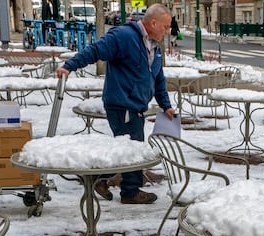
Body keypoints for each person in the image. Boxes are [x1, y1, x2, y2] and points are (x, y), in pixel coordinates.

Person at [57, 4, 176, 204]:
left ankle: (100, 179)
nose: (167, 31)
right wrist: (69, 67)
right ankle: (129, 191)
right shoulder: (124, 36)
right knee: (132, 148)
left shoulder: (154, 47)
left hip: (135, 105)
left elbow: (158, 79)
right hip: (122, 103)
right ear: (153, 23)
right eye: (165, 27)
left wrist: (166, 105)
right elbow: (95, 50)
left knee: (128, 146)